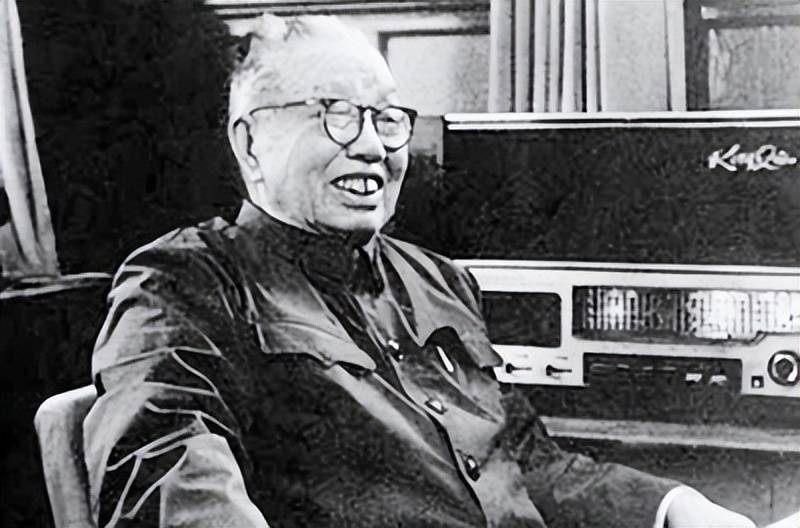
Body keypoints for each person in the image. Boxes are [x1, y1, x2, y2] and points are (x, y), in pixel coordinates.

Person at [82, 14, 757, 528]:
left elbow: (525, 463)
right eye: (336, 116)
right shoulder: (184, 283)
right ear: (250, 142)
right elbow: (169, 470)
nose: (372, 147)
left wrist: (676, 508)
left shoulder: (441, 281)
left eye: (386, 118)